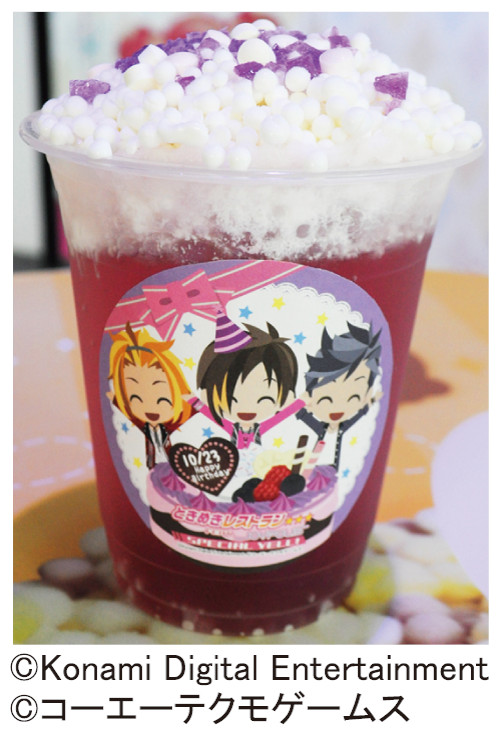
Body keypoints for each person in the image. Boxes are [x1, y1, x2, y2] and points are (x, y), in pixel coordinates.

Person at [194, 318, 303, 449]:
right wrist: (190, 399)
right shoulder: (232, 428)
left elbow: (280, 417)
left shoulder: (259, 429)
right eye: (231, 399)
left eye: (264, 398)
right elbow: (207, 412)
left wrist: (302, 402)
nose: (246, 408)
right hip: (231, 460)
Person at [107, 322, 195, 468]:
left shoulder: (170, 424)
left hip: (174, 469)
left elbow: (189, 411)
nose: (150, 407)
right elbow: (126, 411)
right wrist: (116, 399)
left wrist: (195, 402)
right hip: (153, 470)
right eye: (136, 399)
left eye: (162, 400)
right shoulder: (144, 425)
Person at [297, 322, 383, 469]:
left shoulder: (342, 427)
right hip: (313, 472)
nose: (338, 407)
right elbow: (303, 415)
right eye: (326, 399)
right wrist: (300, 404)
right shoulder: (321, 429)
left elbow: (361, 413)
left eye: (353, 397)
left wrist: (373, 399)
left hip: (333, 472)